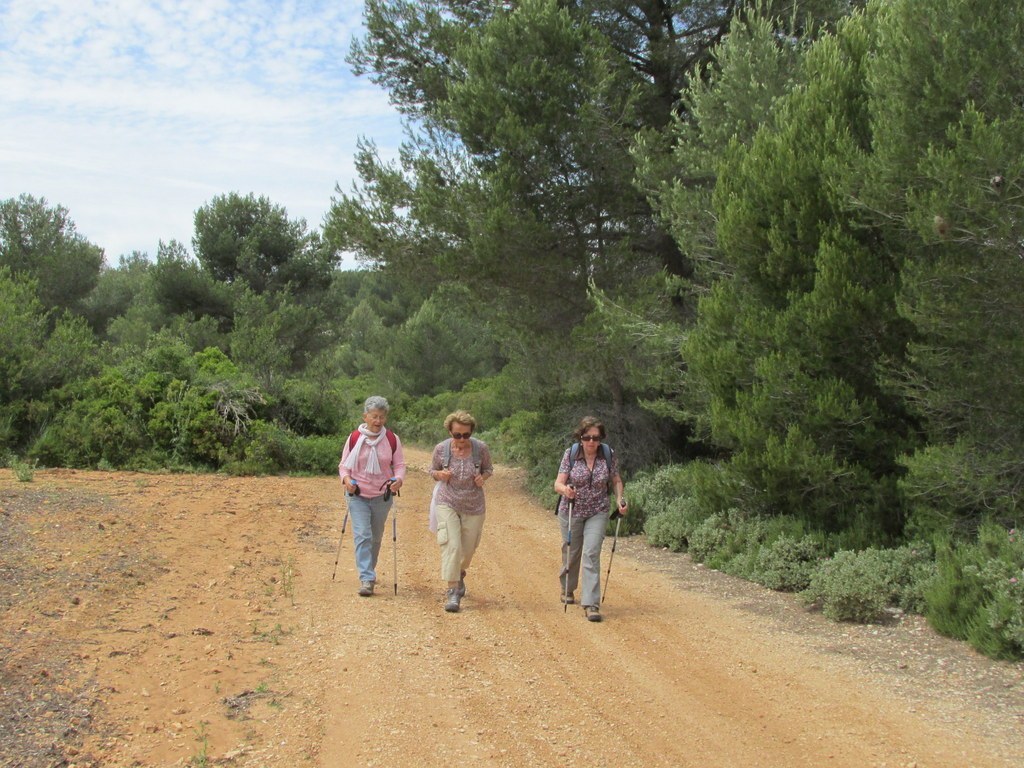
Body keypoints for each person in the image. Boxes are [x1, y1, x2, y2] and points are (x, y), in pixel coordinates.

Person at [553, 416, 627, 622]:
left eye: (596, 438)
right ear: (581, 437)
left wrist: (620, 500)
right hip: (572, 509)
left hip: (598, 510)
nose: (591, 442)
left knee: (591, 553)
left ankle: (591, 603)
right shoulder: (571, 454)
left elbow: (616, 480)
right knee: (572, 551)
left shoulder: (608, 455)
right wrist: (565, 490)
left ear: (601, 438)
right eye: (587, 438)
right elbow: (558, 483)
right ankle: (567, 588)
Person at [338, 396, 406, 597]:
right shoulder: (354, 438)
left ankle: (369, 569)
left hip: (382, 495)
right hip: (357, 494)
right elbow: (343, 466)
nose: (378, 421)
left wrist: (399, 479)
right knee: (362, 535)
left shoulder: (392, 439)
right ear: (365, 416)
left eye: (382, 417)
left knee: (375, 538)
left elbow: (400, 465)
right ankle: (367, 578)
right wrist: (346, 480)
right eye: (374, 416)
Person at [428, 410, 493, 613]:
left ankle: (460, 572)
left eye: (466, 435)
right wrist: (440, 474)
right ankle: (453, 591)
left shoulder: (480, 448)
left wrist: (483, 477)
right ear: (450, 432)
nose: (462, 439)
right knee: (452, 545)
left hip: (474, 504)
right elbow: (432, 471)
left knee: (468, 549)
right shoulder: (441, 449)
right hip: (447, 500)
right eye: (458, 435)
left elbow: (489, 469)